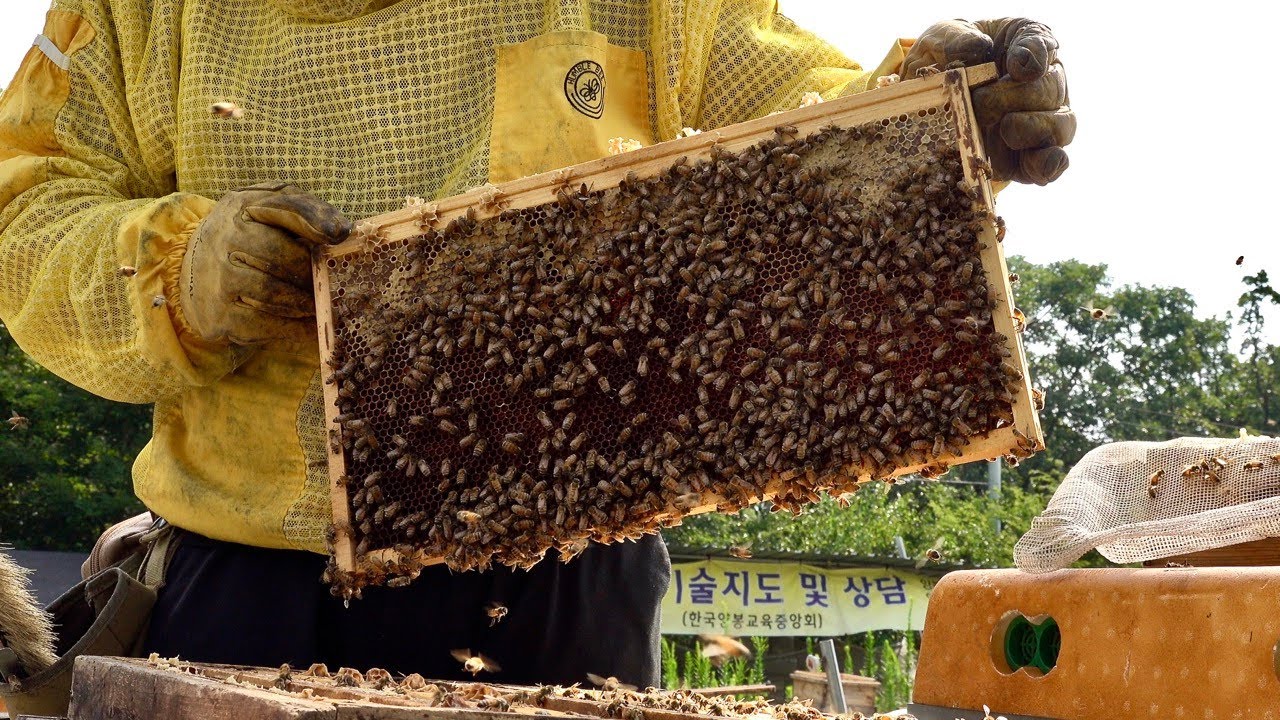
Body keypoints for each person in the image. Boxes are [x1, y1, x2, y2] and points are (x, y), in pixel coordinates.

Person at [0, 0, 1071, 688]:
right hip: (251, 587)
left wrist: (928, 112)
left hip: (569, 584)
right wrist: (178, 269)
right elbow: (24, 218)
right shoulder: (137, 13)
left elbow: (797, 126)